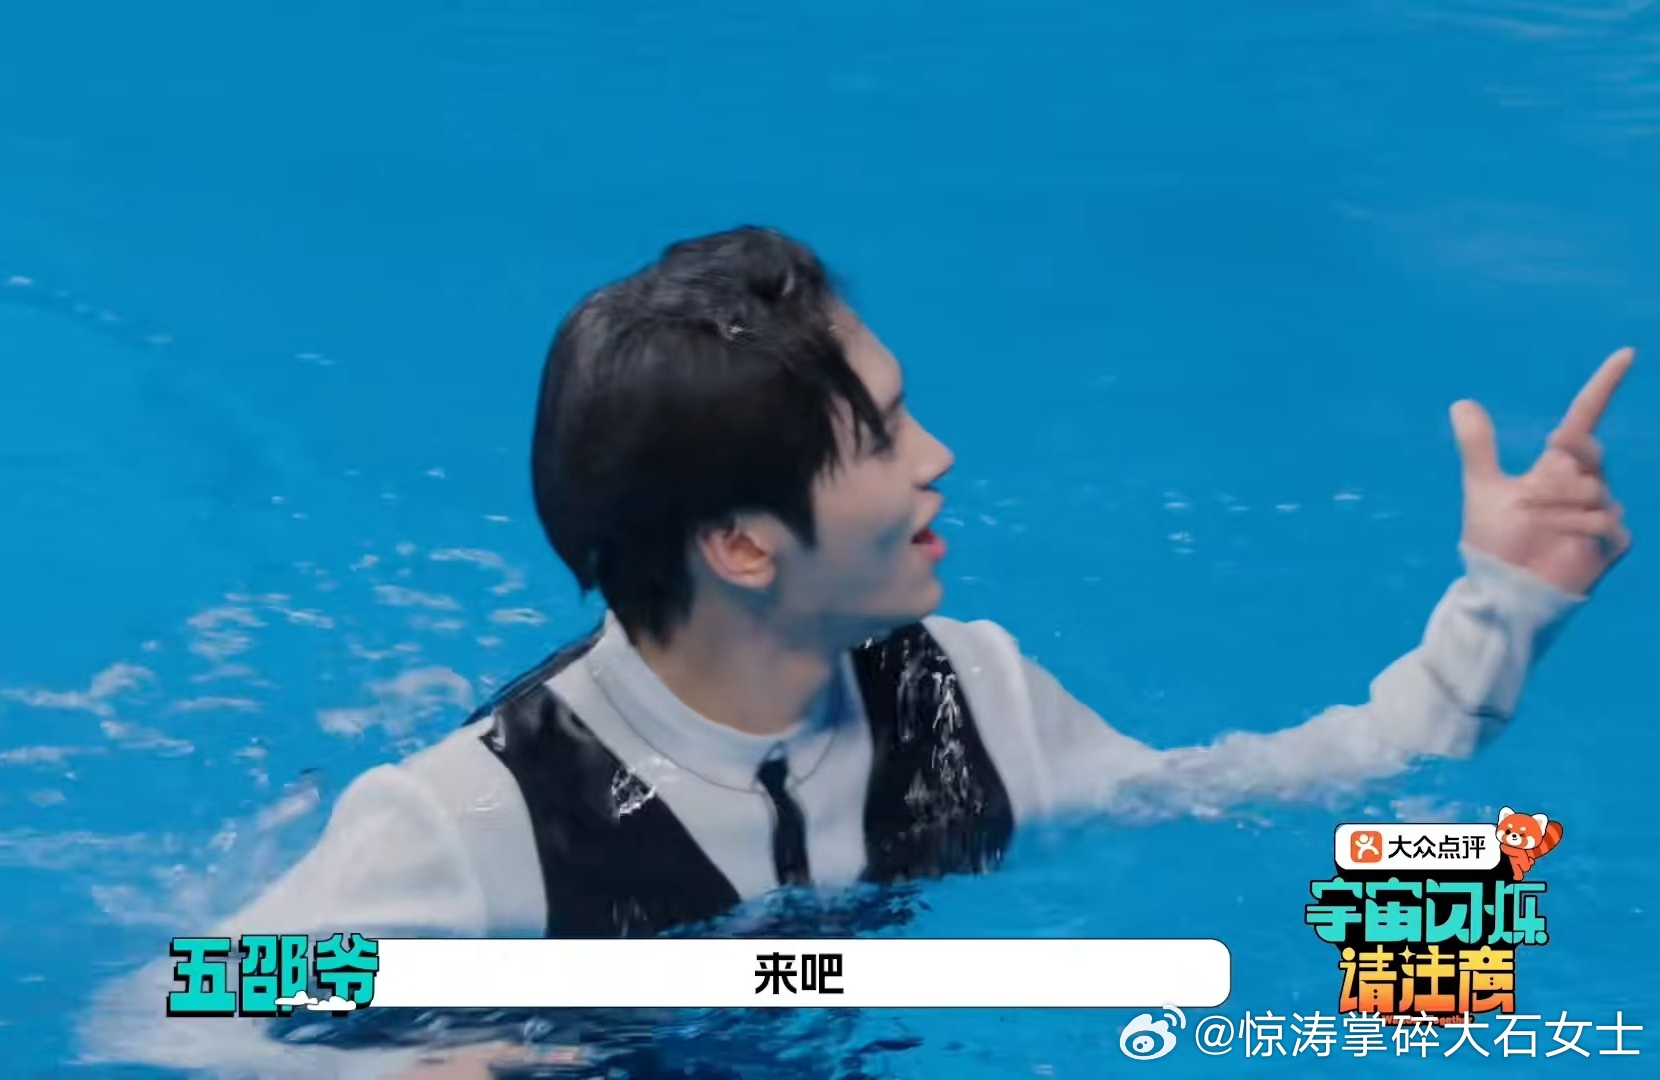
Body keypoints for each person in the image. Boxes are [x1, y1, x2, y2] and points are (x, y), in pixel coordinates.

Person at [82, 226, 1633, 1076]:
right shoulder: (480, 824)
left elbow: (1291, 788)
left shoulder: (967, 701)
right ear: (746, 545)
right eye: (884, 436)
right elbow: (162, 1010)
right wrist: (393, 1072)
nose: (938, 458)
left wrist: (1501, 606)